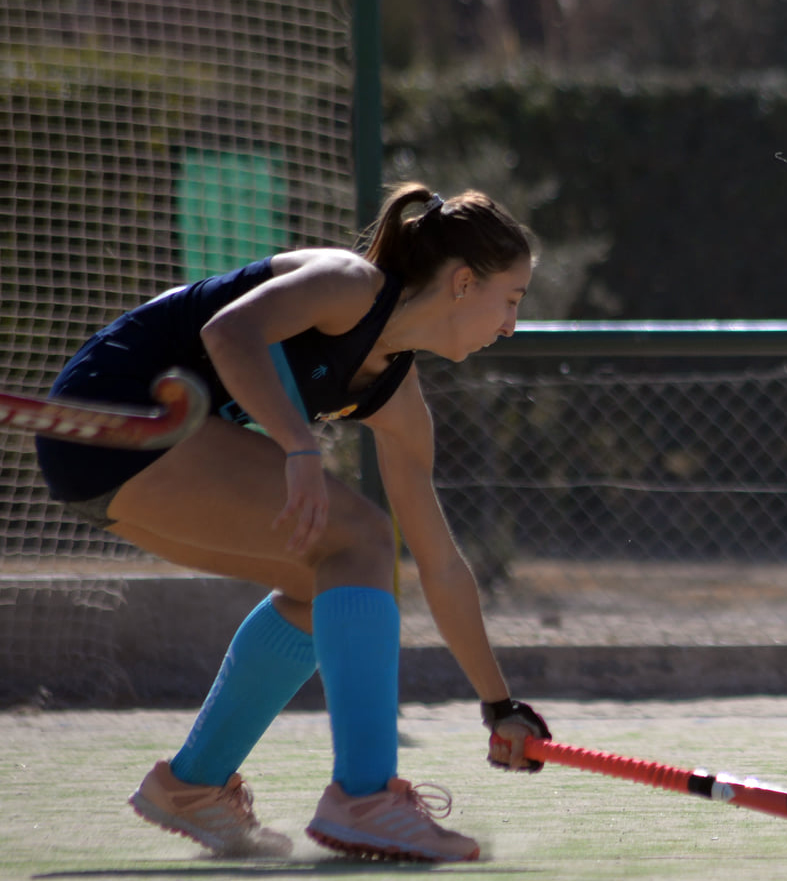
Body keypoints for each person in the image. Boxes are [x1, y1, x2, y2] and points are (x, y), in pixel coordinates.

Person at [34, 183, 551, 863]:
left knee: (330, 582)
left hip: (111, 470)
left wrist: (498, 705)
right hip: (110, 411)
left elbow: (442, 564)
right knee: (362, 538)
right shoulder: (347, 284)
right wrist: (297, 445)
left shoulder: (398, 401)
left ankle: (192, 786)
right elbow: (228, 332)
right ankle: (366, 798)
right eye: (510, 300)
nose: (511, 324)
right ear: (462, 282)